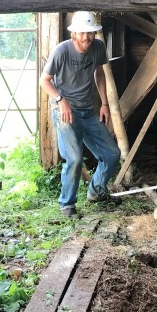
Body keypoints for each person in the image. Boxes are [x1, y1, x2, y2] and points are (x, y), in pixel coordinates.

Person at [40, 11, 121, 217]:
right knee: (75, 159)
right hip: (65, 111)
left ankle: (96, 192)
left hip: (88, 110)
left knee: (112, 154)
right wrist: (61, 101)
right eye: (82, 33)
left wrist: (104, 104)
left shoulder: (98, 47)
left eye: (90, 33)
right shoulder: (62, 51)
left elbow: (99, 73)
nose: (86, 37)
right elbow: (44, 81)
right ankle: (67, 204)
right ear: (74, 33)